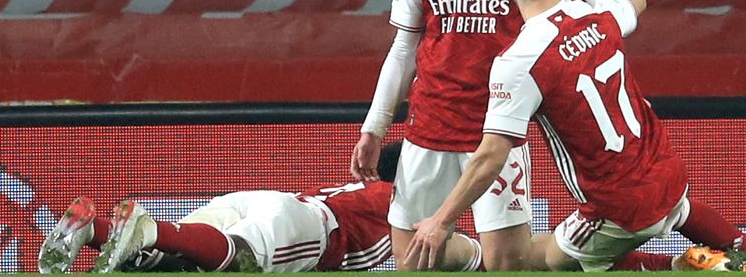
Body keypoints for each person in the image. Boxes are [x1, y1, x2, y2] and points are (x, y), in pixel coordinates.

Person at [403, 0, 746, 272]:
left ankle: (683, 268)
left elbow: (490, 155)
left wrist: (440, 220)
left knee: (540, 260)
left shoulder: (520, 59)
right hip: (666, 170)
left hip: (614, 206)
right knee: (679, 208)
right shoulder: (598, 12)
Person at [350, 0, 569, 271]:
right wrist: (374, 125)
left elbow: (560, 38)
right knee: (412, 263)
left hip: (497, 129)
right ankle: (471, 257)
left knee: (510, 265)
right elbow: (404, 47)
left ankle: (493, 256)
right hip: (430, 126)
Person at [38, 142, 482, 274]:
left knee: (173, 265)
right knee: (242, 262)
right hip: (310, 229)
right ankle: (147, 229)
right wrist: (487, 258)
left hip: (263, 202)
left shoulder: (361, 190)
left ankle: (91, 230)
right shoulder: (405, 204)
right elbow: (446, 248)